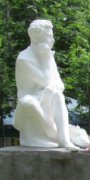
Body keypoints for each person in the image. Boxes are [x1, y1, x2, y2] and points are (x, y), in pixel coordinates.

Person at [13, 19, 78, 150]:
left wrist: (47, 57)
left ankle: (64, 139)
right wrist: (46, 57)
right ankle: (54, 134)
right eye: (49, 36)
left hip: (44, 99)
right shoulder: (24, 59)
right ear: (36, 38)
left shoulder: (48, 55)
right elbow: (47, 81)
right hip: (28, 102)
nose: (52, 39)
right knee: (29, 102)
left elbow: (59, 85)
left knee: (56, 93)